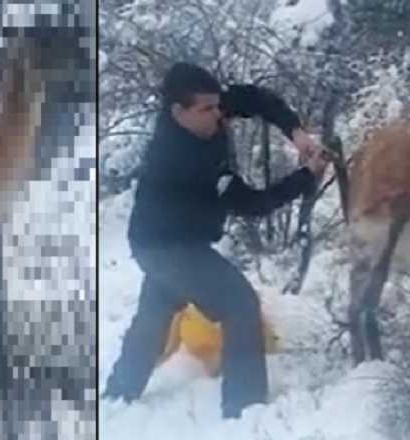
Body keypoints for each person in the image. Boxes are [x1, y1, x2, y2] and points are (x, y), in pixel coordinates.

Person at [101, 62, 330, 419]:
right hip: (169, 248)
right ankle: (245, 409)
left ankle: (118, 394)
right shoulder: (180, 157)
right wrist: (306, 177)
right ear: (178, 112)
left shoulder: (204, 111)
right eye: (207, 109)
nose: (218, 115)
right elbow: (252, 204)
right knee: (239, 304)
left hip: (160, 244)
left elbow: (256, 99)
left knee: (155, 312)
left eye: (218, 105)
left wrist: (296, 133)